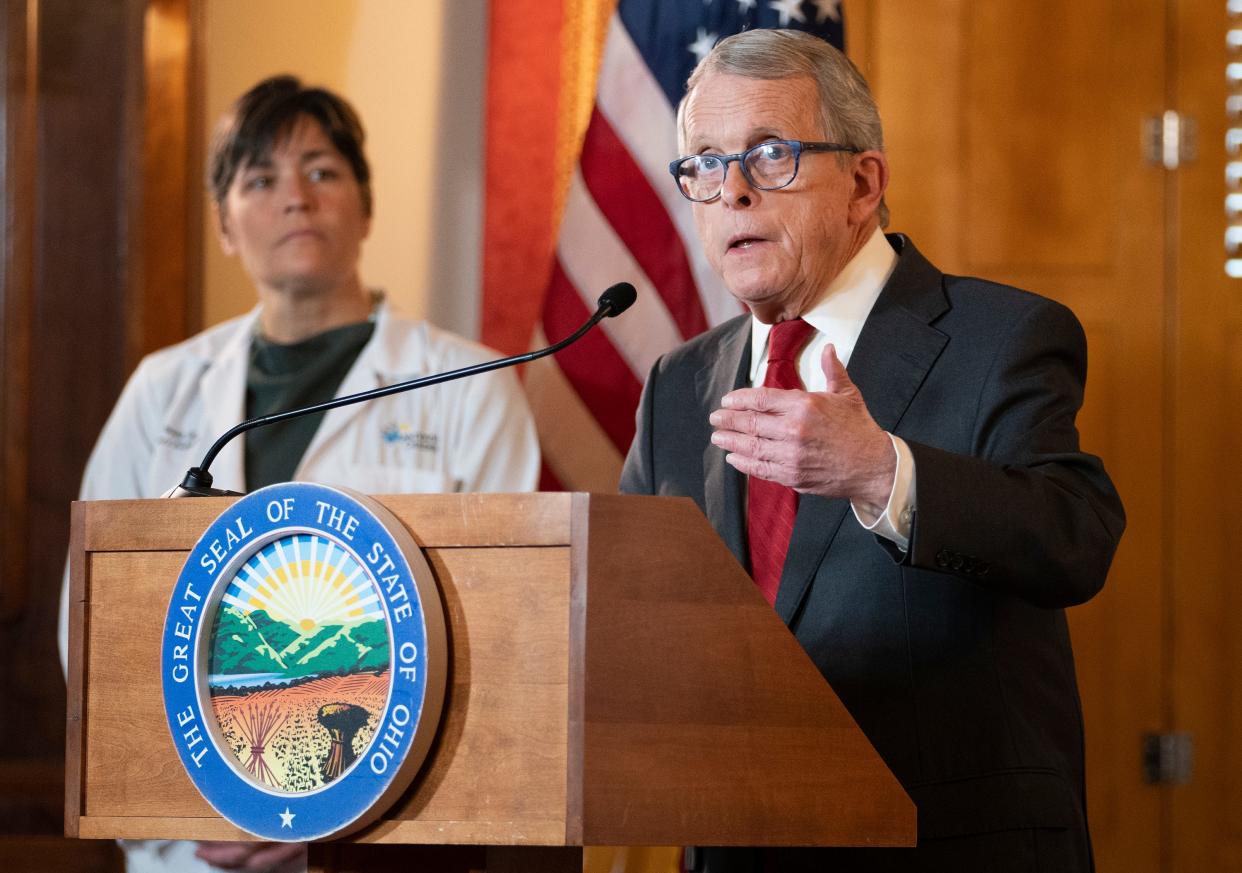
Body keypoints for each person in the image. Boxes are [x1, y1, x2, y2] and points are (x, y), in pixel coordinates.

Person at [620, 29, 1125, 873]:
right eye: (705, 164)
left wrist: (883, 472)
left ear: (863, 183)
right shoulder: (678, 382)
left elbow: (1075, 536)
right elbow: (628, 610)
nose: (732, 192)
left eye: (770, 155)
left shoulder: (1000, 338)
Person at [58, 75, 539, 873]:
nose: (296, 198)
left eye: (322, 170)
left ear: (365, 205)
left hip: (387, 841)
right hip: (189, 843)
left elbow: (509, 635)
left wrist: (324, 813)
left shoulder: (470, 384)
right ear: (224, 223)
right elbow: (93, 612)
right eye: (261, 179)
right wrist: (185, 804)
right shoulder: (163, 387)